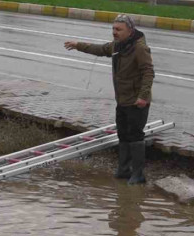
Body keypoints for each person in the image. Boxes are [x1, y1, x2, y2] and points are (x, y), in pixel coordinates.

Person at [63, 14, 154, 184]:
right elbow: (101, 49)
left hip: (136, 101)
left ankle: (138, 174)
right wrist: (78, 45)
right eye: (113, 28)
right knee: (123, 134)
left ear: (130, 30)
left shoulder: (139, 48)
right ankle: (123, 169)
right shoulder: (119, 45)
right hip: (122, 99)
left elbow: (148, 72)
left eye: (118, 29)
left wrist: (143, 97)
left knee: (135, 136)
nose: (114, 32)